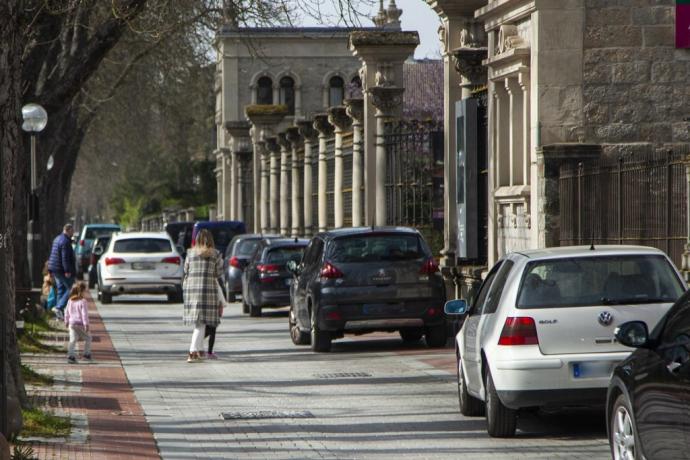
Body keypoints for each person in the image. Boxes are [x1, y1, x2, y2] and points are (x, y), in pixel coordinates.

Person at [183, 229, 224, 363]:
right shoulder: (215, 254)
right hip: (208, 292)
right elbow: (218, 273)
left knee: (199, 321)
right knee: (201, 323)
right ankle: (192, 352)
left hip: (192, 291)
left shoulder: (190, 253)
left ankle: (200, 351)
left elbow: (186, 271)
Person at [48, 224, 77, 320]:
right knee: (72, 288)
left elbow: (53, 255)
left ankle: (58, 314)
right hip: (62, 269)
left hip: (55, 268)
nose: (73, 233)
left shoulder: (57, 239)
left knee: (61, 289)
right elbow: (65, 257)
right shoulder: (65, 242)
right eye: (72, 231)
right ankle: (59, 307)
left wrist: (50, 269)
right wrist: (67, 271)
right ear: (68, 230)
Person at [64, 282, 92, 364]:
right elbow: (84, 314)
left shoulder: (70, 300)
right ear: (82, 291)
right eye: (85, 291)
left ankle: (70, 356)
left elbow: (66, 312)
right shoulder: (83, 301)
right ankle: (86, 354)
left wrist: (66, 321)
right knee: (88, 338)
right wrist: (86, 324)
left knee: (72, 340)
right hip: (80, 324)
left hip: (71, 323)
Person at [204, 282, 226, 359]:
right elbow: (220, 294)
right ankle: (209, 352)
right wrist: (222, 305)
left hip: (204, 308)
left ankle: (196, 345)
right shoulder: (214, 282)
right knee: (212, 331)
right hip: (213, 308)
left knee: (207, 330)